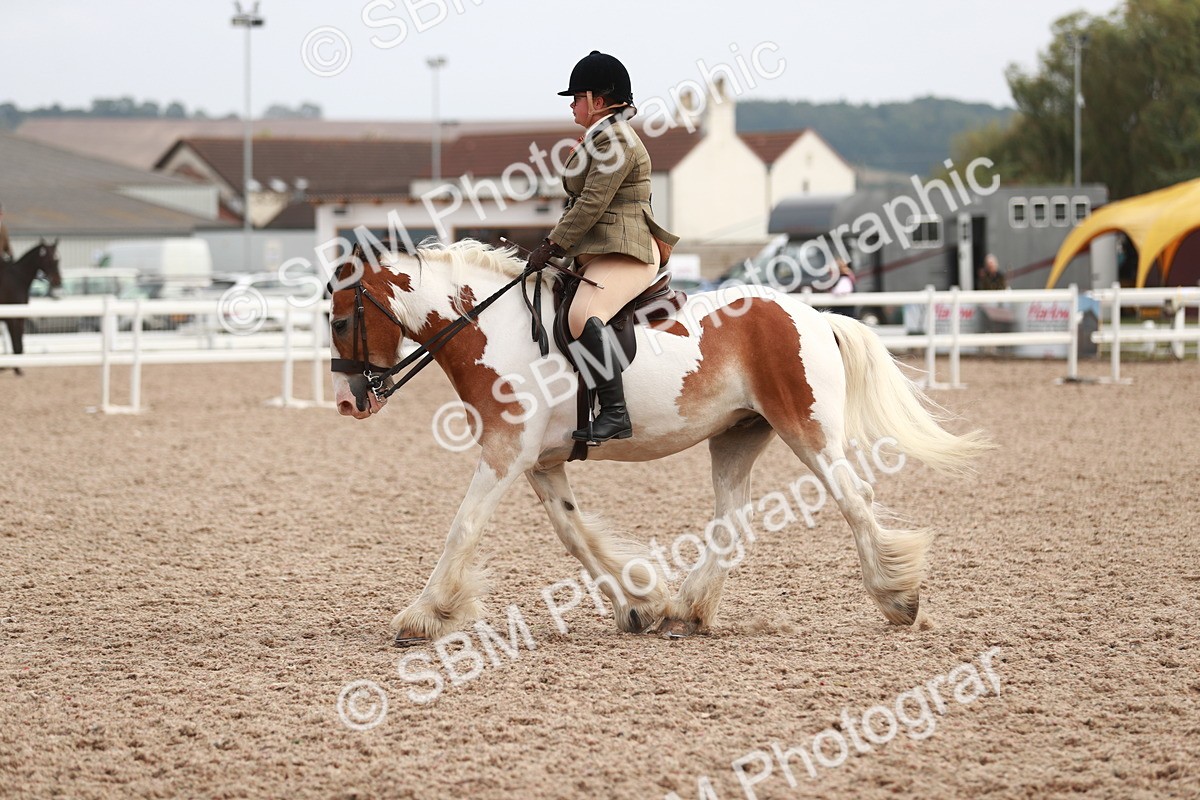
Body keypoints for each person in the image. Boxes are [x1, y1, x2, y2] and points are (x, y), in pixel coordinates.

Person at [526, 51, 680, 444]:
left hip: (627, 250)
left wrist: (553, 244)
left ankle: (615, 412)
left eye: (576, 98)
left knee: (583, 315)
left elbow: (592, 203)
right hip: (601, 251)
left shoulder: (616, 141)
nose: (572, 107)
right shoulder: (600, 138)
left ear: (597, 100)